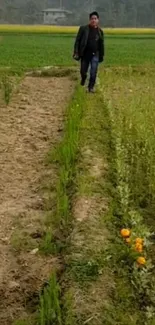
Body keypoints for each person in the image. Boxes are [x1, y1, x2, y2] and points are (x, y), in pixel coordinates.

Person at [73, 11, 104, 93]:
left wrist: (102, 55)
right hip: (85, 54)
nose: (93, 20)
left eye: (95, 19)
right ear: (89, 20)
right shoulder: (83, 29)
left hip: (95, 55)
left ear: (98, 20)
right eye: (92, 19)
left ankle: (90, 87)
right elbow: (77, 41)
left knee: (93, 72)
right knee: (83, 71)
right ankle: (83, 79)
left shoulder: (100, 31)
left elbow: (101, 45)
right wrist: (76, 52)